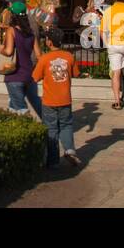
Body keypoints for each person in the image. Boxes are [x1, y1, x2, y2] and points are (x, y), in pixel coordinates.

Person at [33, 28, 81, 168]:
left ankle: (53, 161)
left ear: (49, 42)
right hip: (65, 99)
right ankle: (70, 149)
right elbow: (76, 73)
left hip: (49, 101)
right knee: (66, 125)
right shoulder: (69, 56)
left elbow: (35, 78)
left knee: (51, 128)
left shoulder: (44, 59)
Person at [0, 2, 41, 117]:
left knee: (22, 110)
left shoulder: (11, 31)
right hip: (29, 75)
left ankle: (33, 131)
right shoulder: (30, 33)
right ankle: (50, 126)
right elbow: (38, 56)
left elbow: (8, 52)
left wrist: (0, 50)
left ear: (13, 15)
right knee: (16, 107)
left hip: (14, 76)